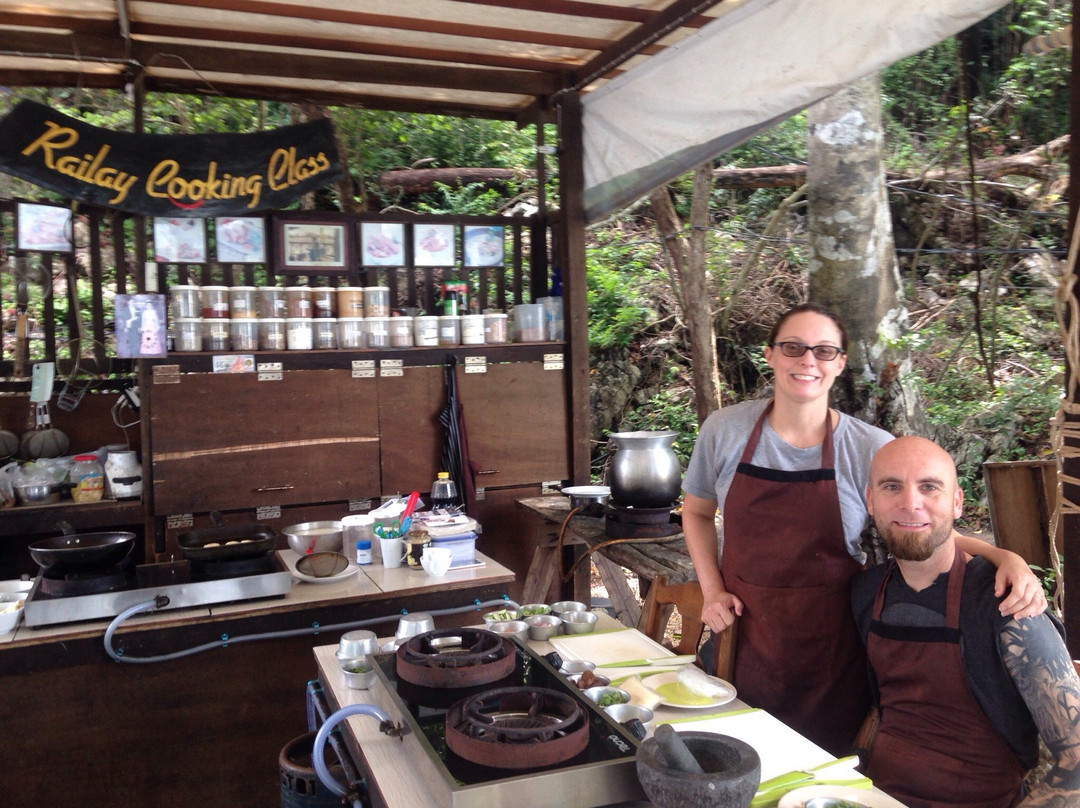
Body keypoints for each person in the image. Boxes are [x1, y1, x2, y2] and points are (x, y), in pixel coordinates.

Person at [681, 302, 1044, 755]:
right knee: (728, 760)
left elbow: (916, 529)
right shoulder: (725, 430)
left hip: (834, 647)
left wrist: (1003, 556)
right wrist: (712, 591)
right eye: (793, 347)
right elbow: (695, 513)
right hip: (741, 635)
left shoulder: (869, 447)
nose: (807, 361)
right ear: (770, 355)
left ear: (840, 364)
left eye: (824, 350)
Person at [853, 436, 1080, 807]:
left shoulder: (1006, 602)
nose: (911, 502)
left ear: (957, 502)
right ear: (870, 501)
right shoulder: (866, 592)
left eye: (930, 487)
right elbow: (883, 710)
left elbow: (1076, 762)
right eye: (892, 486)